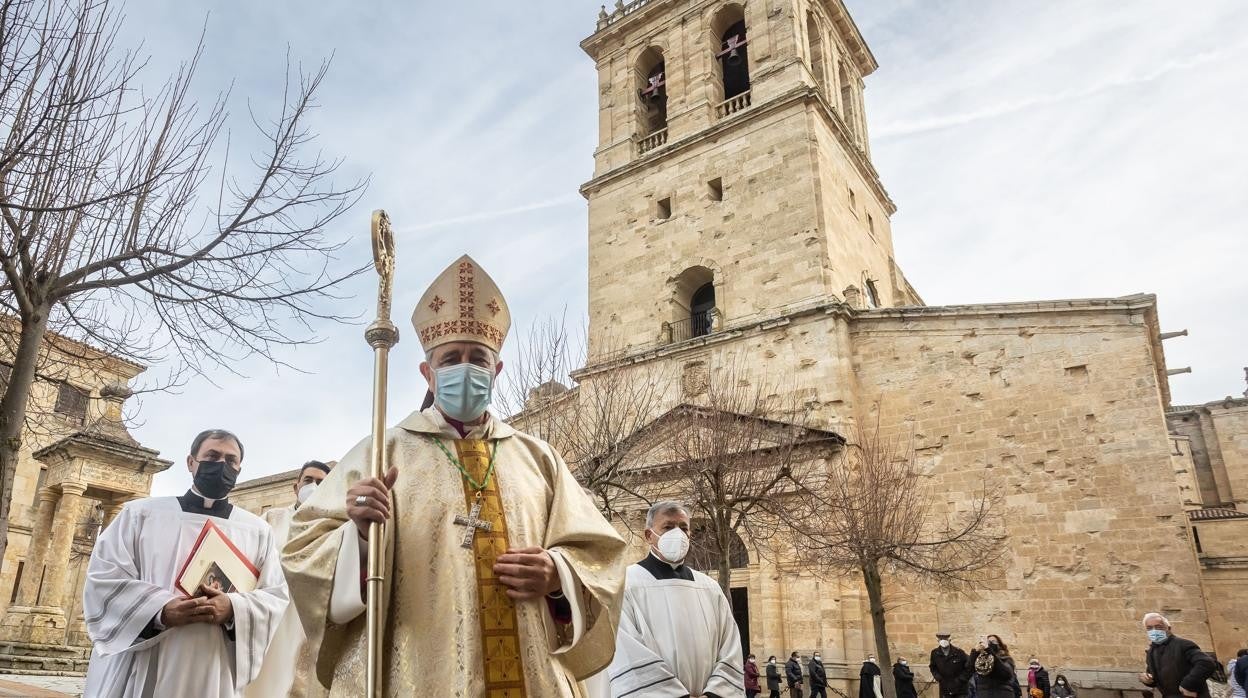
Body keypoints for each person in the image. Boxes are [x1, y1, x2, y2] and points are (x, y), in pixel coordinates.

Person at [284, 255, 628, 696]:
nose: (465, 368)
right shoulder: (380, 451)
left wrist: (557, 575)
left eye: (478, 359)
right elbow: (302, 550)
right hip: (418, 671)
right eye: (450, 359)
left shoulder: (538, 458)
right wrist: (360, 537)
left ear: (496, 370)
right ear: (428, 374)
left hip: (530, 666)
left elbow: (601, 556)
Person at [83, 429, 288, 697]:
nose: (221, 465)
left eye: (230, 460)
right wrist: (159, 610)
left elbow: (275, 596)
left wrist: (233, 608)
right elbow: (103, 578)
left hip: (214, 663)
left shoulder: (257, 530)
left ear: (239, 469)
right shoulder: (141, 514)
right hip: (148, 656)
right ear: (191, 462)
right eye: (212, 456)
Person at [600, 502, 744, 697]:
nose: (678, 534)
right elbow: (626, 651)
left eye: (683, 528)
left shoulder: (710, 587)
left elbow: (730, 647)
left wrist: (714, 694)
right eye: (668, 527)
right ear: (649, 535)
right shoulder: (624, 585)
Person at [247, 459, 334, 698]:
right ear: (296, 486)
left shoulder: (333, 527)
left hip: (307, 616)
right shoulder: (270, 519)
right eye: (308, 480)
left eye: (320, 482)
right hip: (268, 614)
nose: (313, 486)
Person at [1139, 612, 1217, 698]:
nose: (1154, 631)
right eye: (1149, 628)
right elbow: (1154, 678)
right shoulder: (1151, 651)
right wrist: (1147, 680)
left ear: (1168, 628)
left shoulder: (1183, 644)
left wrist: (1188, 685)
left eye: (1158, 627)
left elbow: (1207, 663)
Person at [931, 632, 973, 698]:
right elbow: (933, 667)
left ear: (949, 640)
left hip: (960, 689)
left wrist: (961, 679)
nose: (943, 641)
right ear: (938, 640)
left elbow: (969, 667)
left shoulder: (959, 652)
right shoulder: (935, 653)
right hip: (945, 688)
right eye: (941, 639)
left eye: (945, 638)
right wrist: (938, 677)